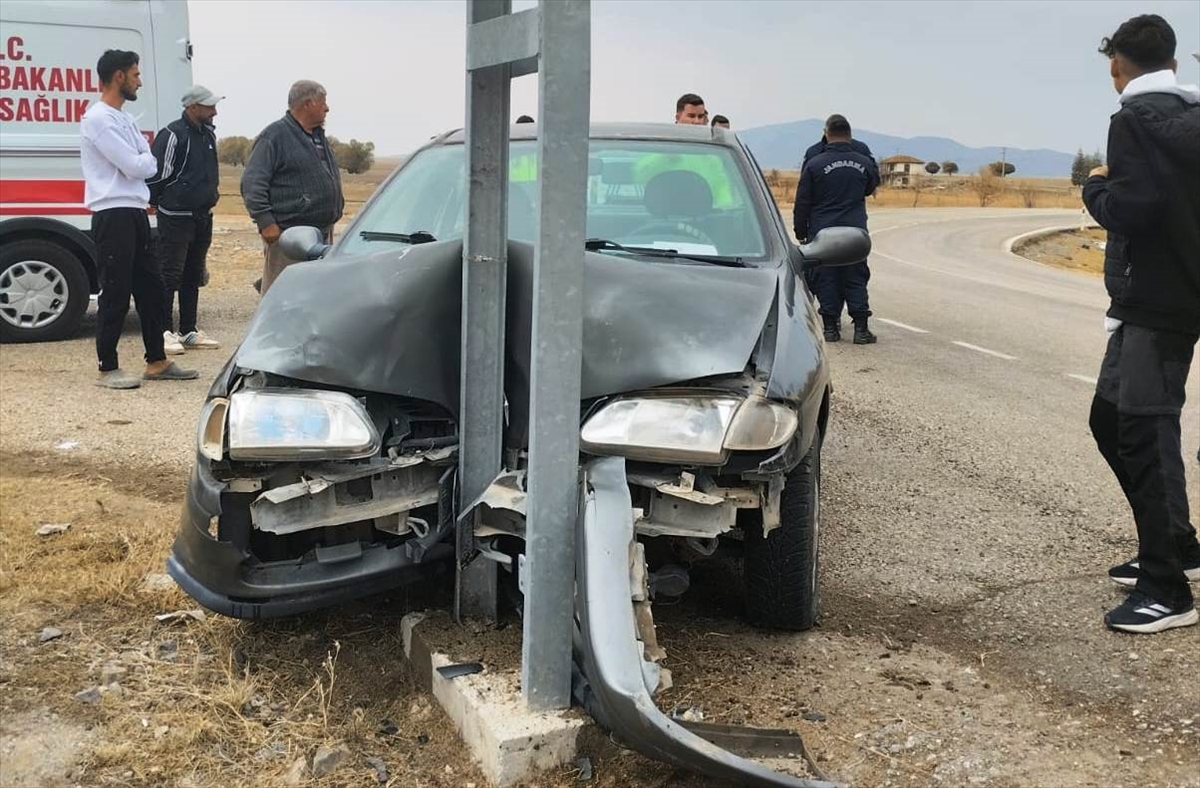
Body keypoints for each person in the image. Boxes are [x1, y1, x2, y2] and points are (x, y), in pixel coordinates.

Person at [1082, 14, 1200, 635]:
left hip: (1155, 300)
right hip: (1171, 298)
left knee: (1141, 433)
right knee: (1112, 419)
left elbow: (1135, 208)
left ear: (1117, 69)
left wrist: (1094, 191)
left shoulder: (1131, 122)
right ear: (1174, 66)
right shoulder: (1193, 120)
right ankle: (1176, 544)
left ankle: (1167, 590)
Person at [80, 49, 197, 389]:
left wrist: (143, 159)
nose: (139, 81)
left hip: (135, 212)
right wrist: (143, 159)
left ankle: (156, 361)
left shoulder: (124, 119)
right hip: (112, 213)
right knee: (115, 291)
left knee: (152, 288)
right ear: (119, 77)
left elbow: (148, 162)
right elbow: (138, 165)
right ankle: (107, 367)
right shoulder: (98, 119)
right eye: (135, 75)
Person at [241, 80, 344, 295]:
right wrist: (265, 221)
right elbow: (252, 183)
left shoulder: (317, 136)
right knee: (283, 296)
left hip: (321, 234)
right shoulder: (274, 136)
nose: (327, 108)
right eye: (322, 103)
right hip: (290, 236)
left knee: (313, 295)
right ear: (307, 104)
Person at [148, 85, 223, 352]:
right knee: (170, 274)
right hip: (176, 216)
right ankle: (164, 331)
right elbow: (157, 175)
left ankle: (188, 330)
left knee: (193, 273)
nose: (214, 111)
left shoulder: (208, 134)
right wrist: (156, 202)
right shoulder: (171, 134)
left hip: (202, 215)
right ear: (192, 107)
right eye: (209, 106)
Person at [793, 114, 880, 344]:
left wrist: (800, 231)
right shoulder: (864, 160)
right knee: (856, 276)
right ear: (849, 134)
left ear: (826, 133)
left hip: (823, 230)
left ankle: (830, 328)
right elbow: (871, 186)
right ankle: (861, 329)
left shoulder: (814, 162)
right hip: (854, 229)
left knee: (826, 276)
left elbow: (803, 201)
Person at [801, 114, 873, 168]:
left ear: (825, 131)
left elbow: (805, 183)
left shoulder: (813, 152)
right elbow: (874, 178)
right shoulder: (862, 149)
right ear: (849, 131)